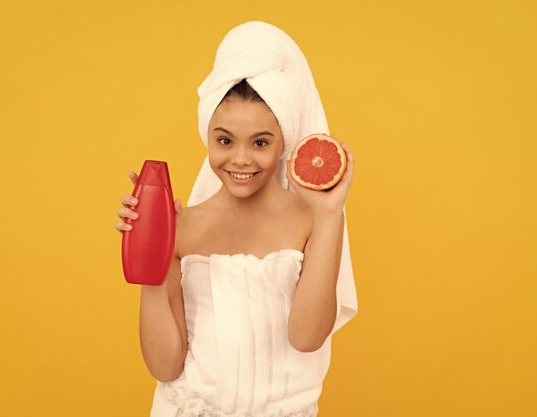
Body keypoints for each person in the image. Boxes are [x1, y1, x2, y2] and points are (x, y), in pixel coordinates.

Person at [115, 21, 357, 417]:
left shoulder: (310, 222)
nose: (241, 159)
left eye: (260, 142)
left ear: (285, 143)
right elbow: (164, 366)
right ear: (207, 136)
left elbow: (307, 337)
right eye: (224, 141)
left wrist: (330, 216)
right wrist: (149, 253)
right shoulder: (184, 226)